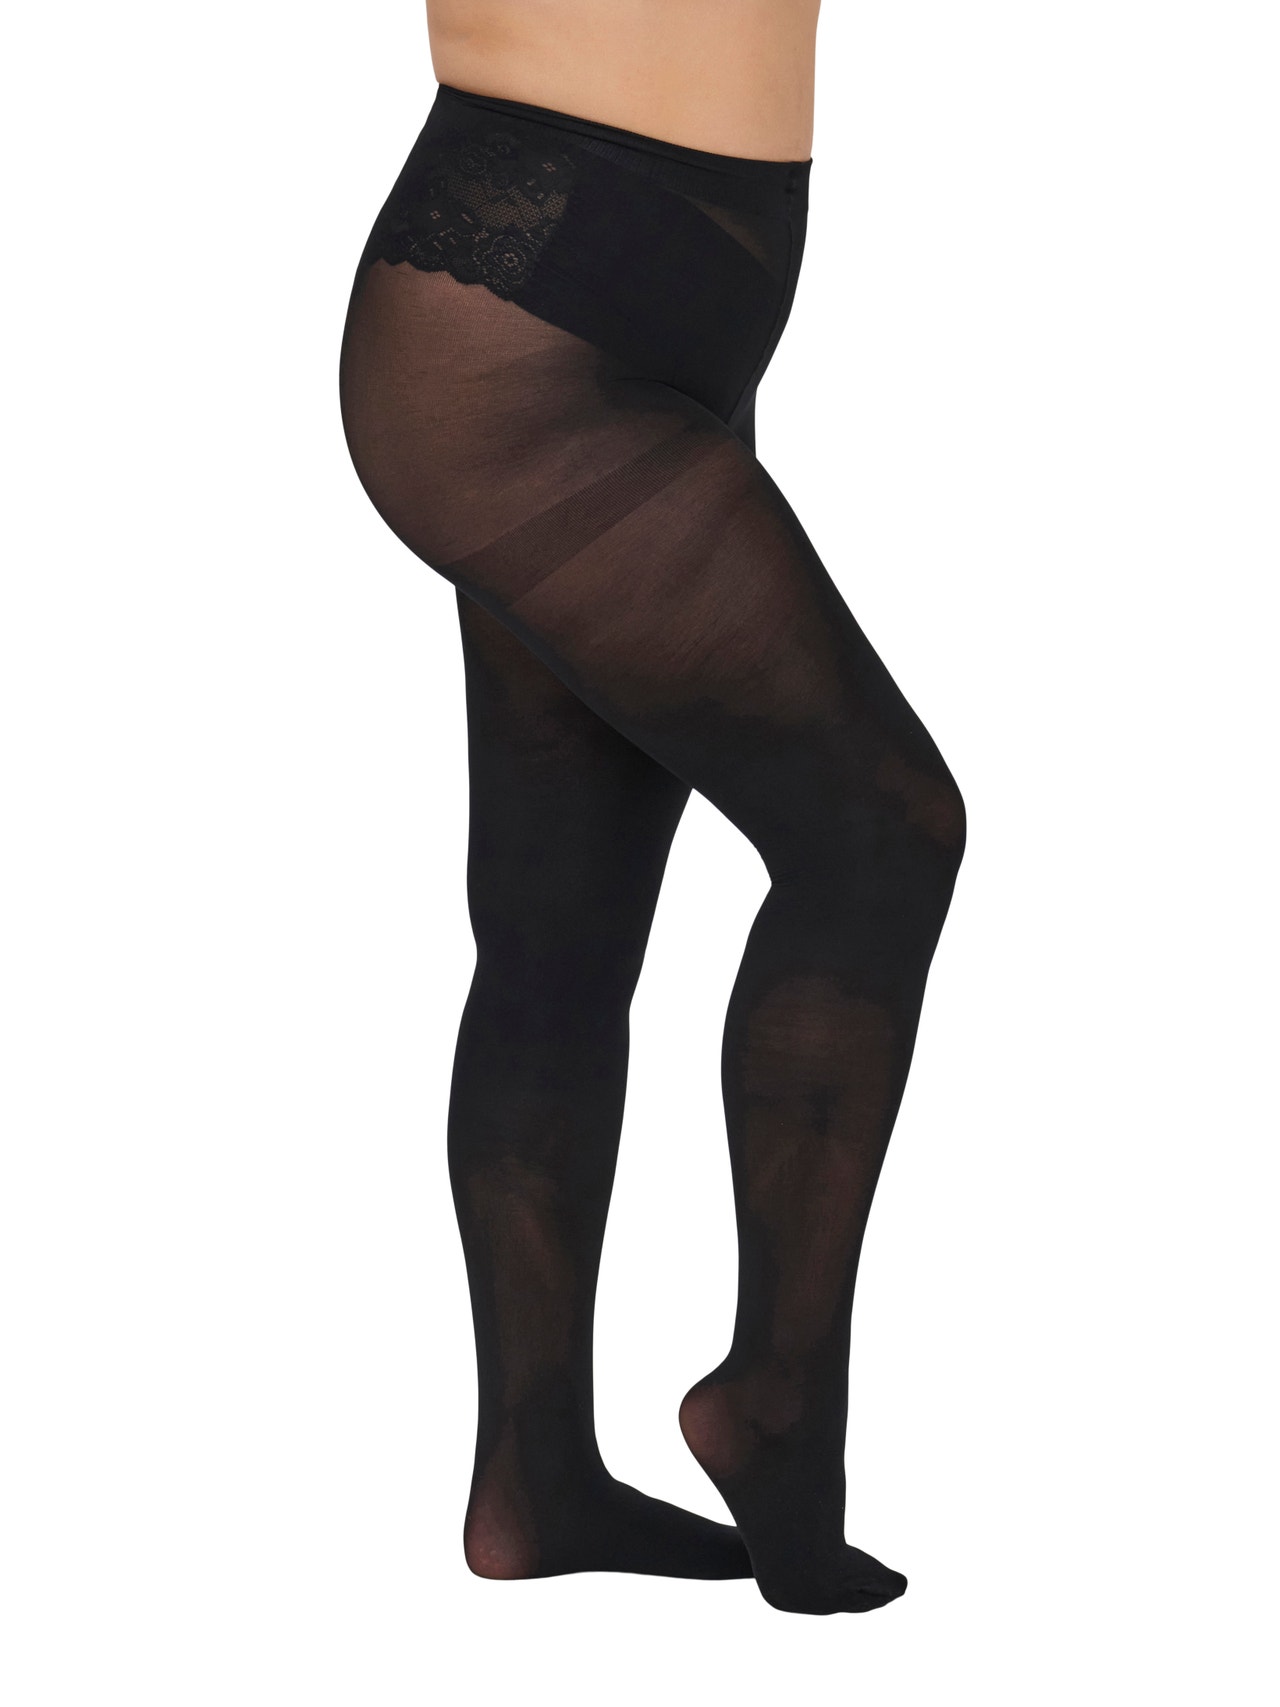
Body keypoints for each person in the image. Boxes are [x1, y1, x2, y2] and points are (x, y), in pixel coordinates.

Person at [339, 0, 966, 1617]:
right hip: (525, 320)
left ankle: (534, 1480)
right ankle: (778, 1409)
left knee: (559, 934)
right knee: (879, 834)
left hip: (652, 306)